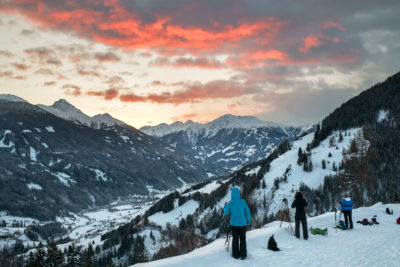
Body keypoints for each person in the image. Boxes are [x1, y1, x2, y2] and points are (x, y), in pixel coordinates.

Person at [223, 187, 251, 260]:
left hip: (234, 225)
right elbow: (247, 212)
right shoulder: (243, 202)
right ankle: (243, 255)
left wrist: (225, 206)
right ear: (239, 193)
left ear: (232, 194)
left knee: (235, 240)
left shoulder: (230, 203)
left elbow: (225, 212)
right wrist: (249, 220)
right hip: (242, 224)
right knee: (242, 239)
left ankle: (235, 255)